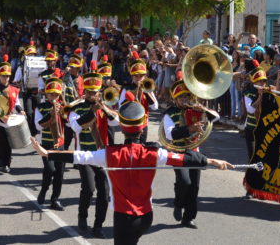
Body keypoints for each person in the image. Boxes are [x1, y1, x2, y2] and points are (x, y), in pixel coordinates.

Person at [31, 100, 232, 245]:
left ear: (123, 128)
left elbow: (79, 156)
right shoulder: (155, 153)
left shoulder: (108, 154)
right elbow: (183, 159)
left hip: (123, 218)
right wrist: (213, 161)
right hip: (146, 217)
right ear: (143, 127)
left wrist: (48, 153)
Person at [68, 61, 120, 238]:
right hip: (84, 154)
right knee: (89, 188)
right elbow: (75, 127)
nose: (93, 95)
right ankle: (82, 217)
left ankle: (98, 225)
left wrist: (104, 109)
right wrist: (92, 112)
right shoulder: (76, 108)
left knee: (104, 192)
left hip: (103, 154)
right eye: (90, 92)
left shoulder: (103, 107)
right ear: (85, 92)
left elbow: (116, 122)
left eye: (96, 92)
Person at [163, 74, 221, 229]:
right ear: (175, 99)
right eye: (180, 97)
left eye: (186, 96)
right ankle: (178, 203)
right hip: (178, 151)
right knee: (184, 181)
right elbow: (170, 134)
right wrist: (190, 129)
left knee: (194, 186)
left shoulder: (194, 109)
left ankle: (188, 218)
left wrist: (203, 109)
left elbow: (216, 118)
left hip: (194, 149)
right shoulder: (170, 113)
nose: (184, 100)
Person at [33, 72, 67, 210]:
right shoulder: (41, 108)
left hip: (60, 144)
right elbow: (38, 125)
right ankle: (44, 189)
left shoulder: (63, 107)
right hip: (47, 144)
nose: (53, 97)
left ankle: (55, 199)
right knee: (50, 169)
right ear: (46, 94)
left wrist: (64, 112)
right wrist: (50, 115)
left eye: (56, 95)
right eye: (51, 94)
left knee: (59, 172)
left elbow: (71, 124)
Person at [0, 55, 24, 173]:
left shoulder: (14, 89)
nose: (6, 78)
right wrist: (1, 116)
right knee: (0, 141)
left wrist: (21, 110)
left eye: (8, 76)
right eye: (4, 76)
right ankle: (0, 161)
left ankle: (6, 163)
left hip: (9, 119)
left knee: (9, 142)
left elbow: (16, 102)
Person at [118, 51, 158, 144]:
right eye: (136, 76)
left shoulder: (148, 88)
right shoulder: (126, 88)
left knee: (142, 148)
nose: (139, 78)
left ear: (145, 76)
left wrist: (146, 92)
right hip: (129, 125)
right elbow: (120, 107)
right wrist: (133, 95)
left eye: (141, 76)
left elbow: (155, 107)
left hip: (143, 125)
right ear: (132, 76)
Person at [243, 60, 269, 162]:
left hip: (263, 128)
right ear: (255, 82)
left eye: (263, 81)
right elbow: (250, 109)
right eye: (260, 81)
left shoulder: (268, 92)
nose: (262, 83)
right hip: (251, 128)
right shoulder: (248, 93)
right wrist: (260, 96)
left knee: (264, 155)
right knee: (252, 155)